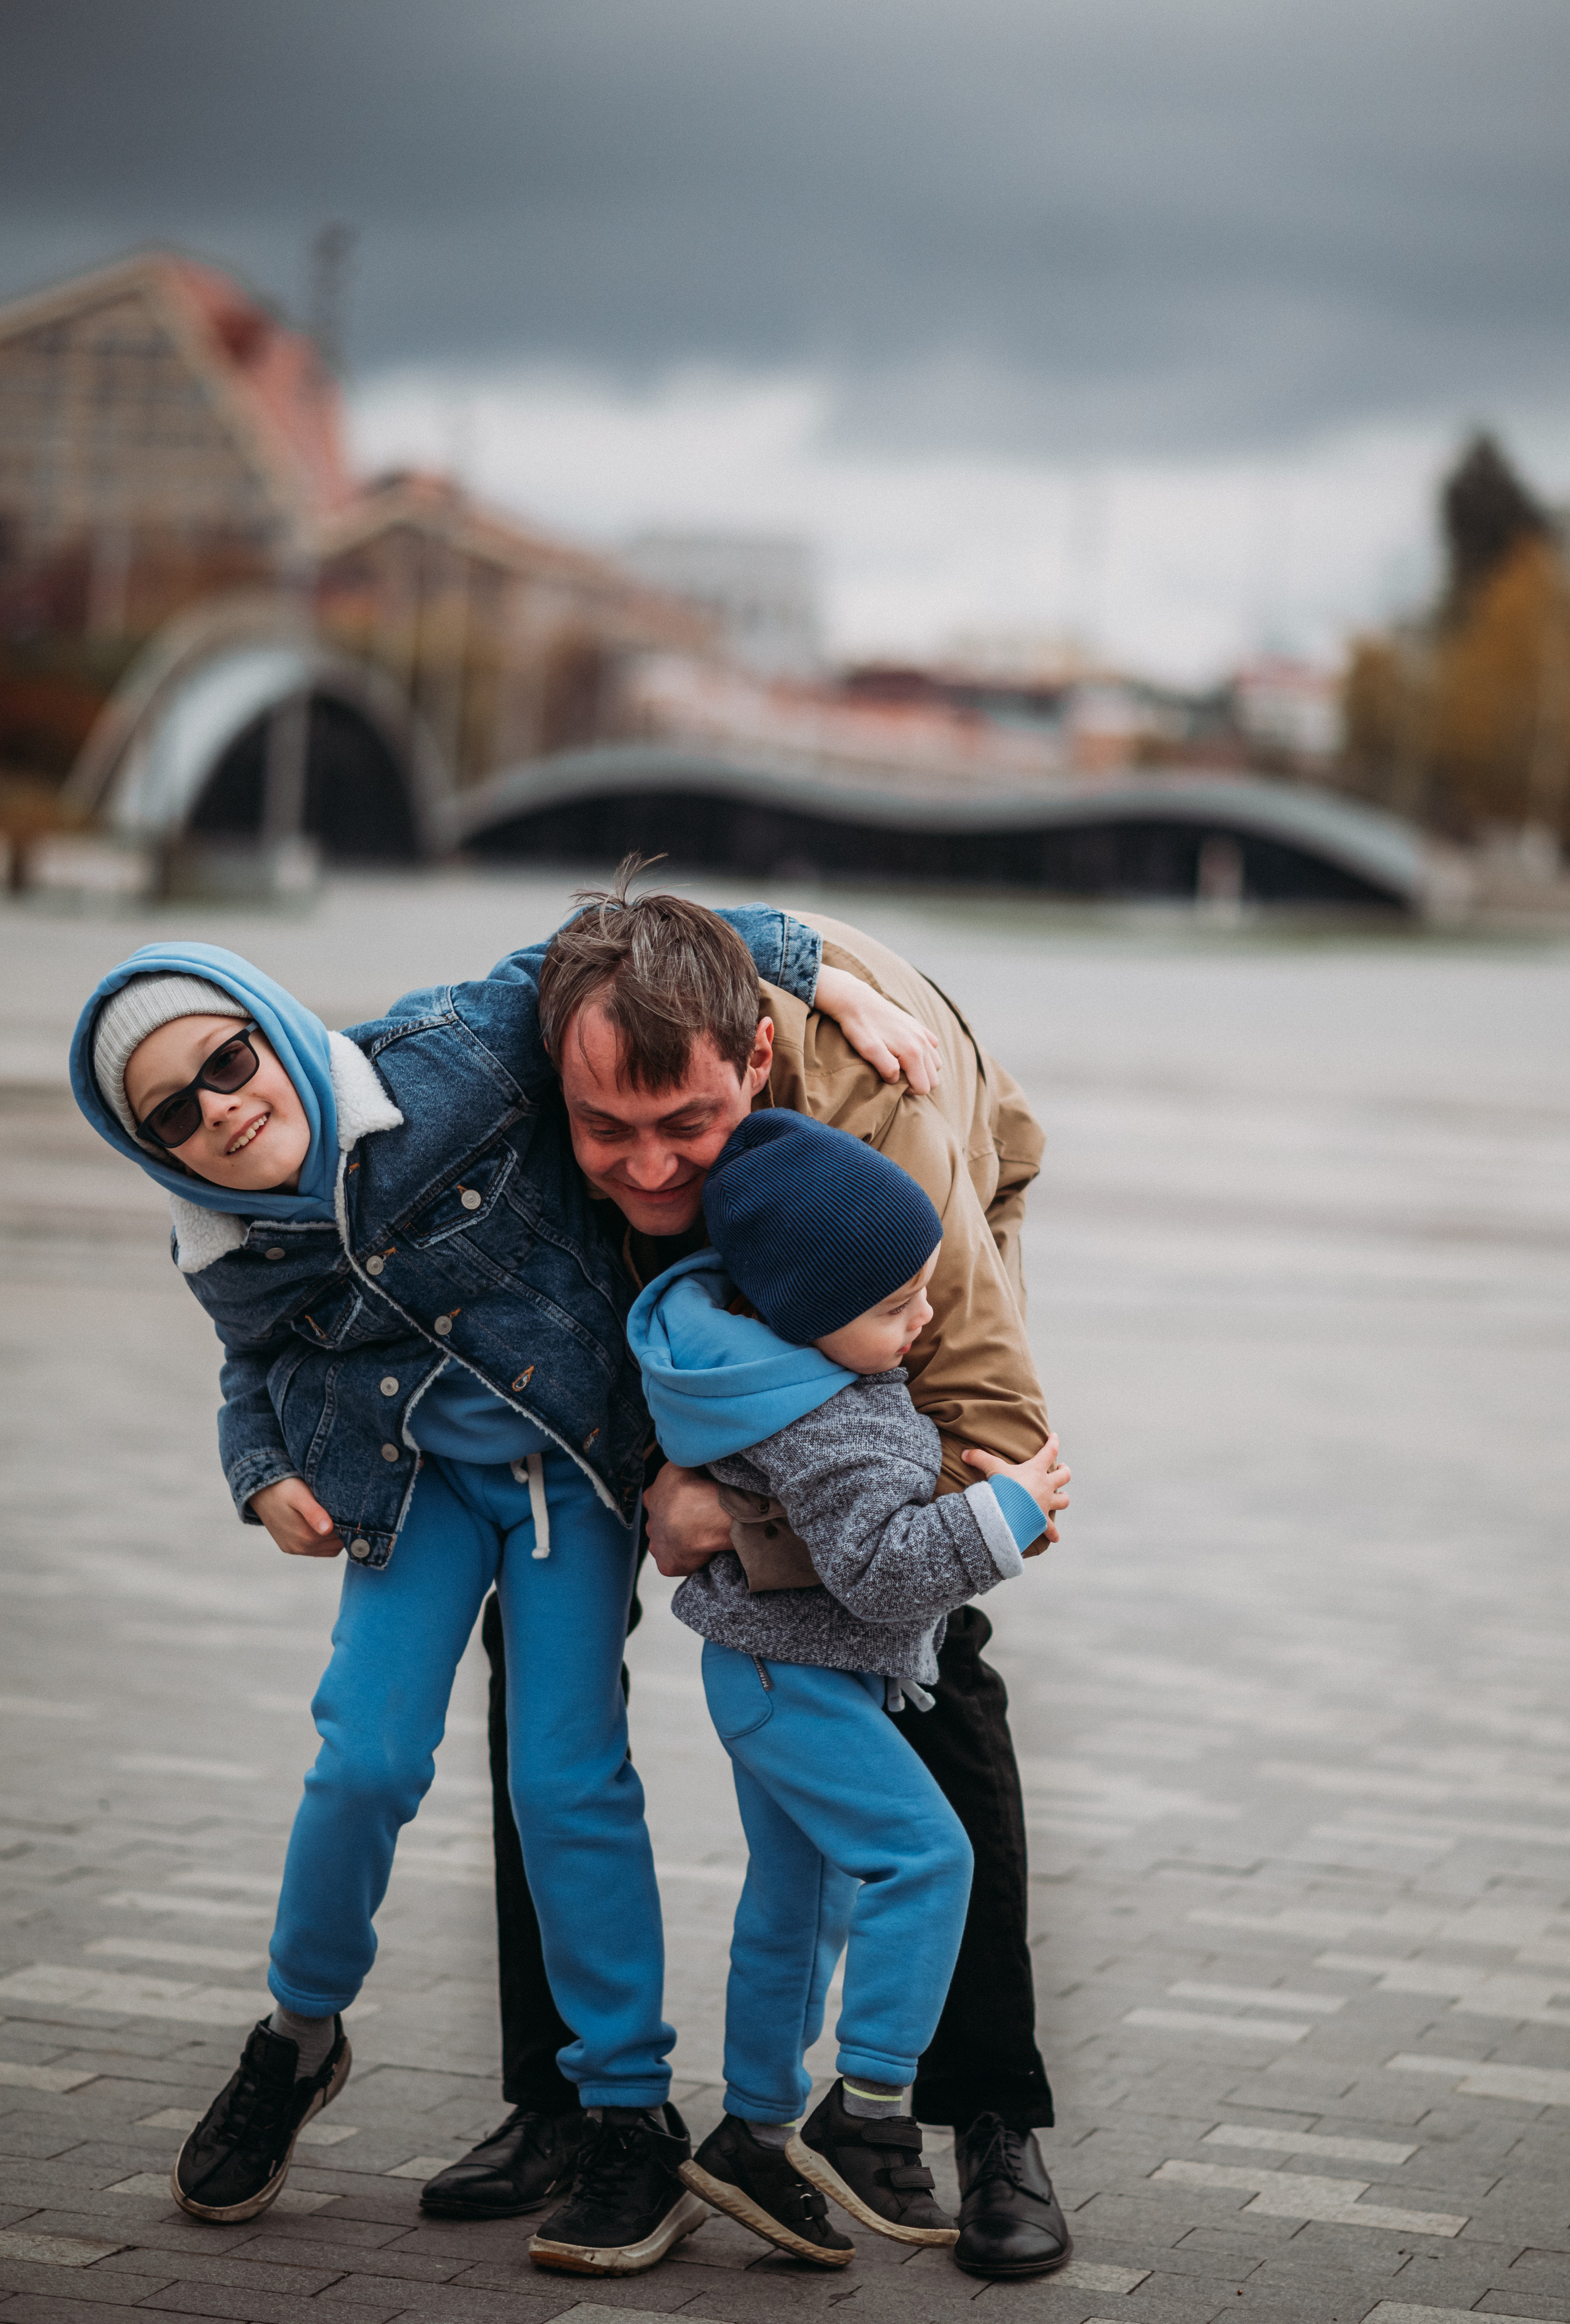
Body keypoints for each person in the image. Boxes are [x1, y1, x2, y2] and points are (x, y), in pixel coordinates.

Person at [65, 909, 929, 2272]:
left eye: (228, 1060)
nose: (219, 1111)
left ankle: (626, 2115)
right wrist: (256, 1476)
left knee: (564, 1778)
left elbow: (615, 936)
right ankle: (297, 2039)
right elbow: (250, 1368)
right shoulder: (217, 1237)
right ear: (147, 1145)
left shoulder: (445, 1059)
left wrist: (830, 982)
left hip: (567, 1486)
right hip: (402, 1499)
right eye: (170, 1111)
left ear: (272, 1026)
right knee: (361, 1758)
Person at [467, 874, 1075, 2279]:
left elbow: (995, 1447)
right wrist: (646, 1482)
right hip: (666, 1328)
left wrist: (738, 1527)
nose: (650, 1167)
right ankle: (571, 2105)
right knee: (542, 1619)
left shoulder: (883, 1133)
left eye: (688, 1125)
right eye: (604, 1130)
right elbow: (535, 1348)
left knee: (935, 1663)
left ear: (753, 1061)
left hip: (905, 1255)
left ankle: (978, 2109)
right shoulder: (542, 1074)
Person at [619, 1109, 1068, 2273]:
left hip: (770, 1672)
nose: (925, 1321)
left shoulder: (788, 1368)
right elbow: (877, 1573)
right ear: (806, 1315)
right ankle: (868, 2107)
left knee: (796, 1901)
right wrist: (1001, 1514)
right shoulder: (836, 1421)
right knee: (928, 1858)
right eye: (895, 1309)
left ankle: (755, 2132)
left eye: (925, 1293)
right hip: (800, 1678)